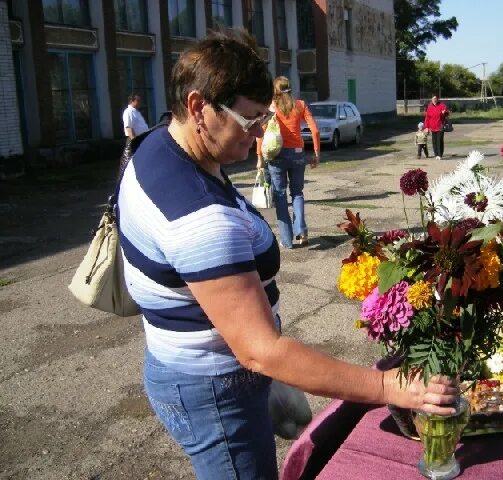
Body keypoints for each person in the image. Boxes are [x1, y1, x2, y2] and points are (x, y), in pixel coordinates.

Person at [117, 30, 458, 480]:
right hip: (216, 387)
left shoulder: (160, 144)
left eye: (264, 118)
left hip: (181, 363)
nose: (262, 132)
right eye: (250, 120)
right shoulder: (199, 217)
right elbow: (260, 351)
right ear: (199, 107)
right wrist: (384, 385)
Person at [255, 77, 320, 249]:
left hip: (276, 156)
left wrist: (259, 157)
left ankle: (286, 240)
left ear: (274, 91)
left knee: (280, 195)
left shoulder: (271, 108)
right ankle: (302, 231)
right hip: (298, 154)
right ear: (290, 89)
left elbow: (260, 132)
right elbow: (315, 130)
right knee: (297, 193)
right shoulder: (300, 105)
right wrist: (316, 153)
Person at [424, 94, 449, 161]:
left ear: (438, 99)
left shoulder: (442, 105)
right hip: (432, 127)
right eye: (433, 99)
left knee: (439, 141)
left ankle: (440, 154)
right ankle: (436, 154)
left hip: (440, 126)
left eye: (435, 99)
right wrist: (426, 127)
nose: (434, 100)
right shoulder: (429, 107)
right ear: (431, 99)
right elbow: (427, 118)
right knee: (434, 141)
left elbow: (447, 113)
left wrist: (445, 112)